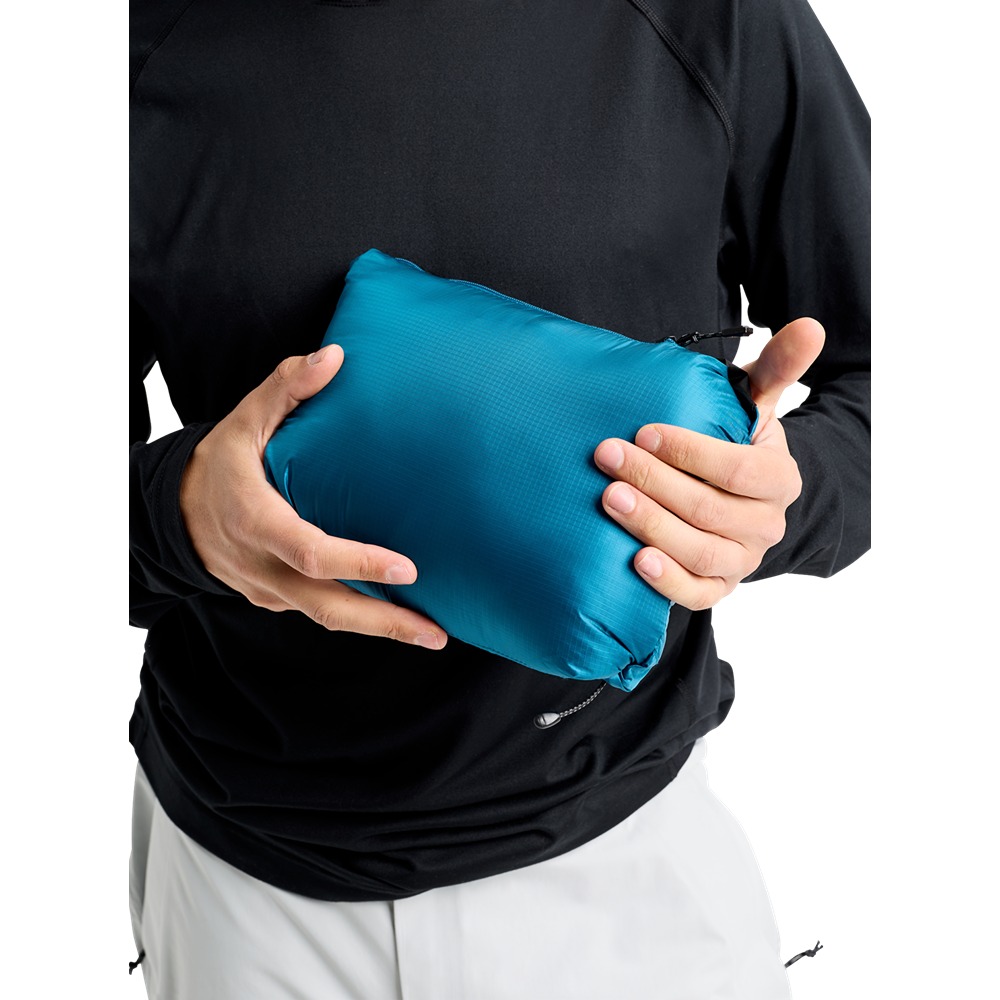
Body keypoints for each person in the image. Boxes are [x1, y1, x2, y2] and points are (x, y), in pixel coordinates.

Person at [129, 0, 869, 996]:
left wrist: (773, 500)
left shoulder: (708, 17)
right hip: (247, 899)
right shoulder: (122, 50)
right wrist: (179, 516)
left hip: (626, 876)